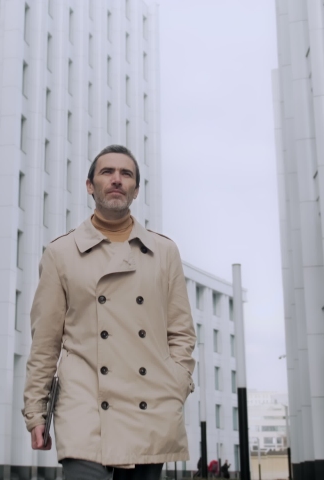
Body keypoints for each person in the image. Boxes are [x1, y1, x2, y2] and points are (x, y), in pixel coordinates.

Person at [22, 145, 196, 480]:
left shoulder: (164, 252)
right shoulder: (60, 253)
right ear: (90, 185)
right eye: (107, 172)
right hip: (84, 405)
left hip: (149, 403)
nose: (116, 179)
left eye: (126, 174)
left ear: (136, 190)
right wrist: (36, 411)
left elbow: (181, 331)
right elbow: (45, 342)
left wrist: (177, 385)